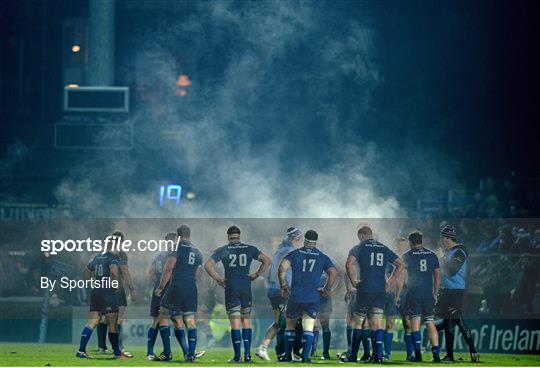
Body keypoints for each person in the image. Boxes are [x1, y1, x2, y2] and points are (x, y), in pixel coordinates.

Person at [204, 225, 271, 363]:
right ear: (239, 235)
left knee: (235, 323)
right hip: (245, 286)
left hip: (231, 287)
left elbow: (208, 265)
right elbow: (267, 260)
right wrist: (256, 274)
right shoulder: (249, 248)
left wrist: (218, 279)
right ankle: (248, 355)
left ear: (228, 236)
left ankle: (237, 357)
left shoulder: (223, 250)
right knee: (246, 321)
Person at [342, 225, 404, 363]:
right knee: (376, 323)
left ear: (362, 235)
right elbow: (401, 264)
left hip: (365, 289)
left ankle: (353, 356)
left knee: (358, 323)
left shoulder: (358, 247)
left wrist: (353, 281)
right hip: (380, 290)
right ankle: (378, 357)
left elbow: (348, 264)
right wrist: (390, 281)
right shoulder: (384, 247)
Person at [277, 229, 337, 363]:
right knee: (308, 327)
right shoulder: (322, 256)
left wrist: (283, 285)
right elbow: (333, 273)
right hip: (312, 297)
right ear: (315, 242)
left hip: (295, 296)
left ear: (305, 240)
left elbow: (282, 268)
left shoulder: (294, 254)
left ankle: (287, 356)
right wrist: (326, 288)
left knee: (290, 326)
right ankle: (306, 357)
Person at [154, 225, 204, 362]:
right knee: (190, 320)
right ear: (189, 235)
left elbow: (169, 268)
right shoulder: (198, 251)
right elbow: (199, 272)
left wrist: (161, 287)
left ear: (178, 236)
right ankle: (191, 354)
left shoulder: (176, 247)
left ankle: (167, 352)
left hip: (176, 286)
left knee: (163, 314)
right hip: (191, 288)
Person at [255, 227, 302, 361]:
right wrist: (286, 287)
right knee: (285, 323)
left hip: (274, 290)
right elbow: (284, 271)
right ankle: (283, 352)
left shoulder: (280, 250)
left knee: (279, 323)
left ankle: (267, 349)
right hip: (283, 290)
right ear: (296, 238)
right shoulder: (289, 251)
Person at [435, 225, 479, 363]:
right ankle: (450, 355)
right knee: (450, 322)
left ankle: (473, 352)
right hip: (446, 290)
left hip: (456, 291)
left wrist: (441, 258)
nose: (441, 240)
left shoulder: (460, 250)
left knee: (458, 321)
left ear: (448, 238)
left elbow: (452, 270)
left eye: (442, 237)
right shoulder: (448, 251)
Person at [402, 231, 441, 362]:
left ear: (410, 242)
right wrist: (435, 293)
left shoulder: (407, 256)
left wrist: (405, 287)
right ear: (421, 241)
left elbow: (404, 277)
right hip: (428, 294)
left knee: (415, 323)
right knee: (430, 323)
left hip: (414, 293)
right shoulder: (432, 255)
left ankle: (418, 354)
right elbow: (437, 276)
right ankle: (436, 355)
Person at [76, 245, 121, 359]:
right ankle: (117, 353)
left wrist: (92, 282)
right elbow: (114, 273)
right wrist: (114, 286)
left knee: (92, 322)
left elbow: (86, 270)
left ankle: (81, 350)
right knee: (112, 324)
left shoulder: (97, 257)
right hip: (107, 292)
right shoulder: (112, 257)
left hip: (96, 292)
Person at [97, 231, 136, 358]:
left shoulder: (101, 254)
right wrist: (132, 288)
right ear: (122, 241)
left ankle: (102, 346)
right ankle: (118, 347)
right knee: (118, 318)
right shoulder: (120, 255)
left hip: (103, 289)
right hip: (117, 290)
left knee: (104, 318)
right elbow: (125, 272)